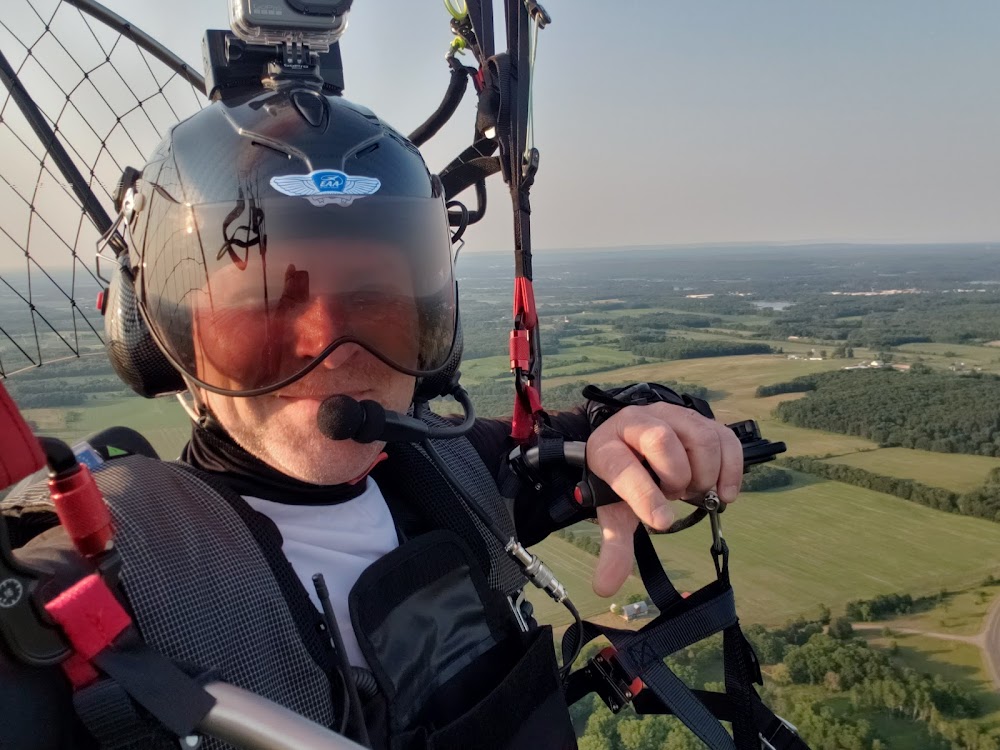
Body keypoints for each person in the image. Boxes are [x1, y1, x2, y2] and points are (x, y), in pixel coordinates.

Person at [0, 81, 743, 750]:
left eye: (373, 298)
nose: (330, 346)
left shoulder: (450, 474)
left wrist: (647, 425)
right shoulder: (99, 587)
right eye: (267, 301)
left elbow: (619, 426)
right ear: (162, 339)